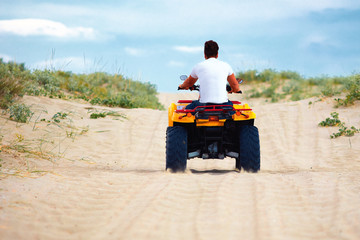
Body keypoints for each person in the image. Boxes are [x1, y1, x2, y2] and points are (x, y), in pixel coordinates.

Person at [179, 40, 240, 110]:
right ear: (217, 54)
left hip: (203, 106)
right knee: (232, 108)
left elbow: (189, 83)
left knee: (184, 109)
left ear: (204, 54)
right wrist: (235, 90)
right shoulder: (226, 66)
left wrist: (181, 86)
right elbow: (235, 85)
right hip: (224, 105)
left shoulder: (198, 66)